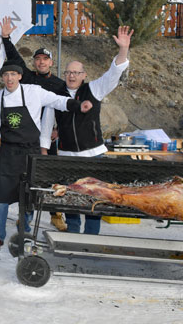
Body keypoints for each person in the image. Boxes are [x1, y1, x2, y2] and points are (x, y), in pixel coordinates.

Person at [0, 63, 93, 253]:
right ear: (2, 78)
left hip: (30, 152)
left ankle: (24, 232)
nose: (9, 78)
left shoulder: (34, 92)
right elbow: (0, 128)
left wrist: (78, 106)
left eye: (13, 74)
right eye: (6, 74)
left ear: (20, 76)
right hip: (9, 152)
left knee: (28, 194)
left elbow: (58, 101)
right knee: (1, 196)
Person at [42, 26, 133, 235]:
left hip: (94, 155)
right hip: (67, 155)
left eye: (76, 72)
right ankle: (74, 235)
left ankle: (92, 237)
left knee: (94, 199)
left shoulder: (94, 89)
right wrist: (44, 150)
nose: (72, 76)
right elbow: (47, 125)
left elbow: (114, 73)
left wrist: (123, 50)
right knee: (72, 200)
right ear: (63, 74)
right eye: (68, 72)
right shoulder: (56, 96)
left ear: (83, 75)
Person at [0, 16, 68, 231]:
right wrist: (6, 38)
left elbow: (64, 107)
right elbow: (14, 58)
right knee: (28, 178)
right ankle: (26, 216)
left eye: (44, 59)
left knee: (52, 177)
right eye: (37, 59)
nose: (40, 62)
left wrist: (59, 129)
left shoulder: (59, 84)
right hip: (28, 138)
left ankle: (56, 214)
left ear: (51, 62)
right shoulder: (27, 78)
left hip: (51, 139)